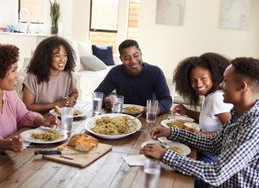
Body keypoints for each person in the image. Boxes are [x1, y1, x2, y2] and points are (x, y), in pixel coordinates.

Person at [140, 57, 259, 187]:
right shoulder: (238, 114)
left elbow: (215, 174)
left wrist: (164, 154)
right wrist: (172, 132)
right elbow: (213, 144)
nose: (220, 85)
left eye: (225, 81)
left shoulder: (254, 126)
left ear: (242, 86)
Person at [0, 44, 60, 153]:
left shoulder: (8, 93)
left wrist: (42, 121)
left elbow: (23, 116)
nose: (17, 76)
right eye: (13, 70)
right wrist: (8, 144)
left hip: (8, 157)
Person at [173, 53, 233, 163]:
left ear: (213, 76)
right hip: (204, 150)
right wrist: (186, 112)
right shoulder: (210, 96)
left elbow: (231, 132)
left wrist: (198, 133)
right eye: (193, 80)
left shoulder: (217, 99)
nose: (198, 84)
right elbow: (210, 118)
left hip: (212, 158)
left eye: (203, 78)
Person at [94, 39, 172, 114]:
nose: (133, 61)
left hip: (146, 116)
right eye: (127, 58)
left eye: (136, 55)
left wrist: (158, 109)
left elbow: (166, 99)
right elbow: (98, 93)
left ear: (141, 54)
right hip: (122, 116)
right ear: (121, 59)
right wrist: (105, 101)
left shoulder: (155, 72)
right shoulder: (115, 72)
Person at [22, 36, 78, 115]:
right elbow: (27, 106)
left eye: (65, 55)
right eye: (57, 56)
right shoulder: (32, 78)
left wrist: (71, 99)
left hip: (61, 119)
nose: (62, 60)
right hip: (38, 120)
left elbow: (74, 92)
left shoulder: (68, 75)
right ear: (46, 57)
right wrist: (57, 104)